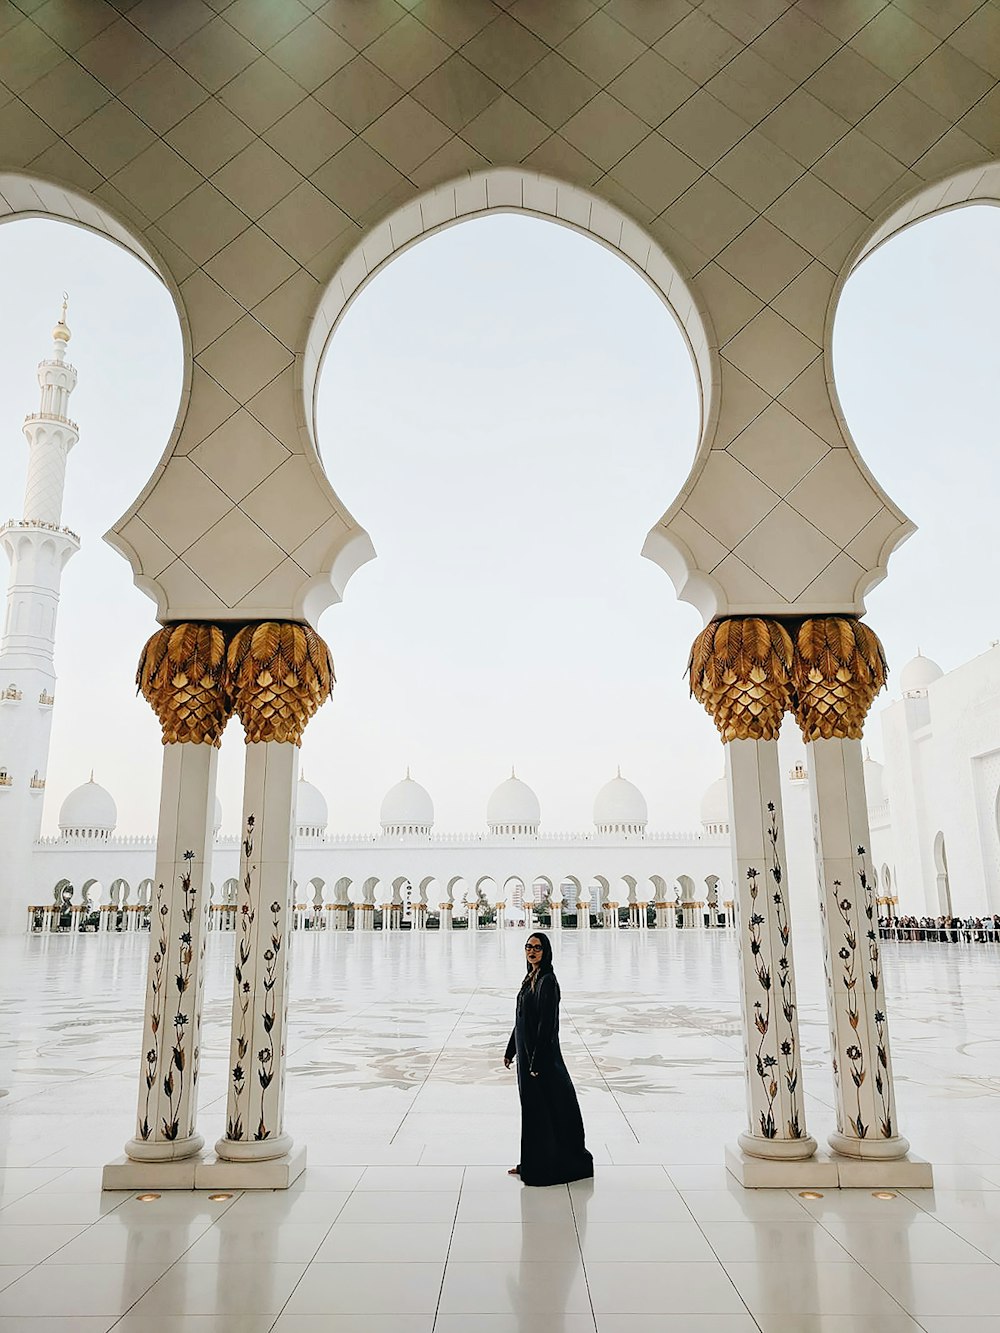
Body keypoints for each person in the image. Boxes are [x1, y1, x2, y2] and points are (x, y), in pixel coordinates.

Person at [503, 931, 594, 1186]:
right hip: (527, 1059)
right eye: (528, 947)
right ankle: (531, 1163)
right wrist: (511, 1049)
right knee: (532, 1112)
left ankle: (545, 1166)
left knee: (544, 1112)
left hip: (539, 1061)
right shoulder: (530, 979)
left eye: (538, 948)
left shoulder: (548, 981)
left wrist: (536, 1062)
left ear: (546, 951)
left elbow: (547, 1026)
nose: (532, 951)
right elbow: (521, 1018)